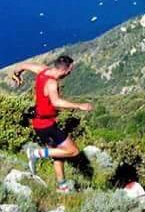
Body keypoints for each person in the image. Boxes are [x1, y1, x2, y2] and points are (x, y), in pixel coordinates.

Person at [10, 54, 93, 193]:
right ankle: (36, 153)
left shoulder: (43, 70)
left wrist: (16, 75)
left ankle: (62, 187)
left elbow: (23, 66)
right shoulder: (52, 83)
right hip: (46, 125)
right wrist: (79, 106)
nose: (70, 73)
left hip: (40, 123)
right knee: (73, 151)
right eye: (70, 70)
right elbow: (56, 102)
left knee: (58, 155)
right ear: (64, 70)